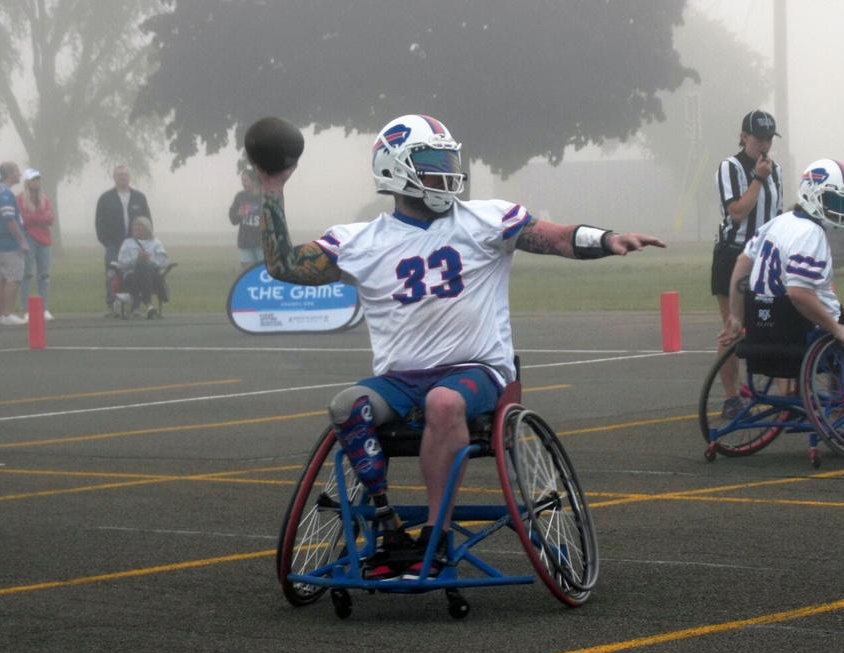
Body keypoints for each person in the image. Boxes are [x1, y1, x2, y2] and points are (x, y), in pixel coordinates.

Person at [255, 114, 665, 579]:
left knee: (444, 401)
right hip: (398, 381)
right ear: (396, 170)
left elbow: (552, 237)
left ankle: (436, 533)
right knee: (346, 405)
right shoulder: (361, 241)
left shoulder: (485, 219)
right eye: (432, 163)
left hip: (477, 372)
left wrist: (606, 239)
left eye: (450, 161)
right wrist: (272, 188)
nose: (447, 173)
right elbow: (285, 266)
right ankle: (388, 525)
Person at [719, 158, 844, 359]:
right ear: (810, 194)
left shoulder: (777, 223)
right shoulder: (811, 234)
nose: (841, 209)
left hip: (765, 329)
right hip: (807, 332)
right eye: (834, 200)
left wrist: (736, 316)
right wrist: (836, 329)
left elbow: (742, 262)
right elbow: (799, 293)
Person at [712, 110, 783, 418]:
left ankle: (785, 396)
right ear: (743, 137)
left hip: (765, 258)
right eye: (758, 139)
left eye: (769, 139)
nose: (764, 145)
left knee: (776, 325)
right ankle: (731, 397)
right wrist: (758, 178)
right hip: (733, 254)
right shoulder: (731, 166)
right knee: (734, 328)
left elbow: (776, 215)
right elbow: (738, 211)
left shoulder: (775, 169)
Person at [95, 165, 151, 315]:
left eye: (125, 175)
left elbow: (147, 221)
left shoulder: (139, 197)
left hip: (135, 245)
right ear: (114, 177)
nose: (123, 177)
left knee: (135, 273)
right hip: (113, 245)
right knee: (113, 274)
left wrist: (144, 241)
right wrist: (108, 243)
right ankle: (112, 305)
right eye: (120, 175)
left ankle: (135, 306)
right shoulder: (105, 198)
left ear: (129, 177)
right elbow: (99, 224)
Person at [17, 168, 54, 320]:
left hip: (44, 240)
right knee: (27, 274)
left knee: (44, 275)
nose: (36, 182)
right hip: (28, 238)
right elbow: (23, 219)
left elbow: (50, 218)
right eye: (33, 179)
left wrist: (34, 217)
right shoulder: (20, 198)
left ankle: (44, 308)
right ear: (27, 182)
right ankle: (26, 309)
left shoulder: (44, 198)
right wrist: (40, 217)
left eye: (38, 179)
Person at [115, 215, 170, 319]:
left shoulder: (155, 243)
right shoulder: (127, 243)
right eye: (135, 227)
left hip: (151, 275)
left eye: (140, 227)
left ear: (147, 229)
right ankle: (148, 304)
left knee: (144, 266)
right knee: (140, 266)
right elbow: (121, 263)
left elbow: (164, 261)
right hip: (131, 275)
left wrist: (149, 261)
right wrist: (136, 260)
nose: (136, 230)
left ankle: (136, 307)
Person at [0, 161, 28, 326]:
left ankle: (1, 314)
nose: (19, 174)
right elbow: (8, 218)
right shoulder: (5, 193)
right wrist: (22, 240)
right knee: (13, 278)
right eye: (17, 170)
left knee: (2, 279)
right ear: (9, 173)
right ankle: (7, 313)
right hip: (8, 243)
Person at [228, 169, 264, 273]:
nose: (243, 183)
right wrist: (238, 215)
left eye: (245, 180)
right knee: (248, 275)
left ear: (254, 181)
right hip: (245, 243)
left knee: (262, 273)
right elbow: (233, 219)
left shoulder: (266, 196)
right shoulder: (240, 197)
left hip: (262, 244)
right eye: (242, 180)